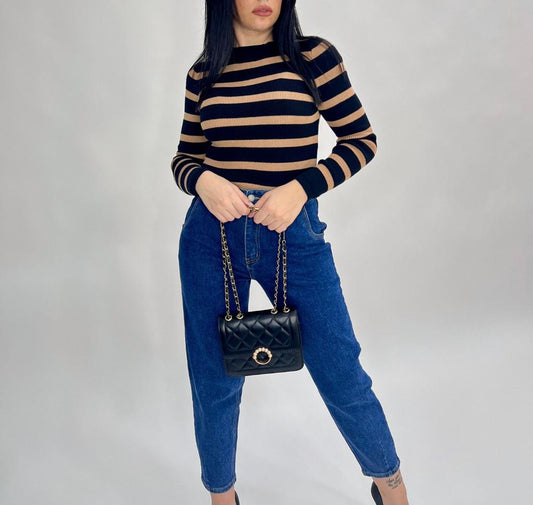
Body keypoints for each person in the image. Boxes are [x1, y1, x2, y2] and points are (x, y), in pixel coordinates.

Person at [171, 1, 410, 504]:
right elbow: (185, 157)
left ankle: (391, 489)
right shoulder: (203, 72)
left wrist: (300, 189)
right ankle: (222, 496)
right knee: (214, 378)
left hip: (292, 233)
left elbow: (361, 140)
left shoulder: (312, 57)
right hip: (210, 239)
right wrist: (204, 181)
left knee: (340, 367)